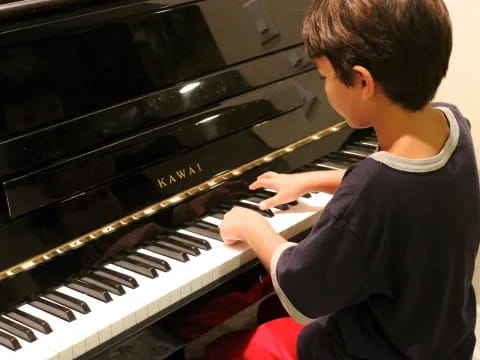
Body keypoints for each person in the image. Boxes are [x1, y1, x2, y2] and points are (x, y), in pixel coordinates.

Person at [204, 0, 480, 359]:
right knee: (267, 314)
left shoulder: (373, 190)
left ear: (363, 82)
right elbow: (403, 192)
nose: (324, 88)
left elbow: (303, 289)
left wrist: (252, 225)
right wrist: (313, 179)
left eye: (324, 77)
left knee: (223, 349)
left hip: (372, 350)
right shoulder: (452, 125)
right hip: (442, 340)